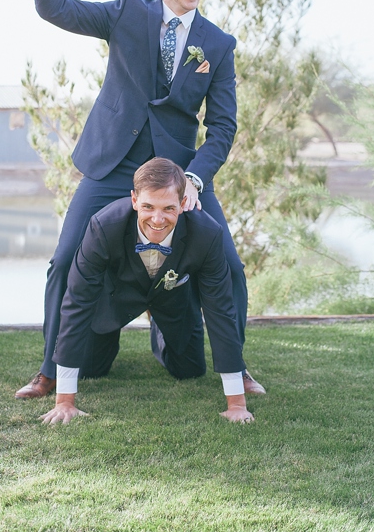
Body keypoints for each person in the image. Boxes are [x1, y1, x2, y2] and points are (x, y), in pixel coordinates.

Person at [15, 0, 264, 400]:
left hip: (180, 177)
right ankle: (48, 371)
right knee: (64, 260)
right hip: (113, 166)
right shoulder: (129, 11)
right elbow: (56, 9)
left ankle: (237, 368)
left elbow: (222, 128)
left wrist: (194, 179)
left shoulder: (217, 44)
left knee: (231, 267)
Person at [40, 158, 254, 425]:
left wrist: (236, 404)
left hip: (174, 298)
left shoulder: (207, 233)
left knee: (190, 369)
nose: (157, 218)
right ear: (133, 200)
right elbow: (77, 302)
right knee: (91, 368)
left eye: (168, 208)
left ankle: (160, 331)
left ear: (183, 203)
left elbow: (220, 311)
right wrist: (64, 402)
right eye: (148, 206)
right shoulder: (102, 226)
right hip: (116, 298)